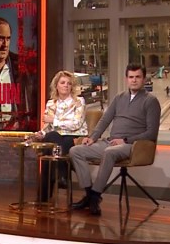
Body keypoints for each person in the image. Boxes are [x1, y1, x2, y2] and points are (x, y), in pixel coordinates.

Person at [68, 64, 161, 216]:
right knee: (75, 151)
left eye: (138, 77)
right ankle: (89, 194)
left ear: (144, 79)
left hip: (132, 145)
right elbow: (105, 120)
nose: (134, 80)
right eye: (131, 77)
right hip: (110, 142)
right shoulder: (119, 98)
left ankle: (95, 196)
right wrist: (92, 137)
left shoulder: (151, 101)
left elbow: (151, 133)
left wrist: (125, 140)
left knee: (110, 152)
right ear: (126, 79)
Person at [30, 70, 88, 201]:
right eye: (63, 83)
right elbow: (48, 127)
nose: (66, 85)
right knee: (51, 139)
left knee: (49, 150)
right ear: (56, 85)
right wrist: (41, 133)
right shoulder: (51, 103)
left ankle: (43, 197)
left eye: (69, 83)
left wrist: (54, 120)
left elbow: (76, 124)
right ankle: (62, 175)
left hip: (74, 136)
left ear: (72, 86)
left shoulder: (79, 101)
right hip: (56, 136)